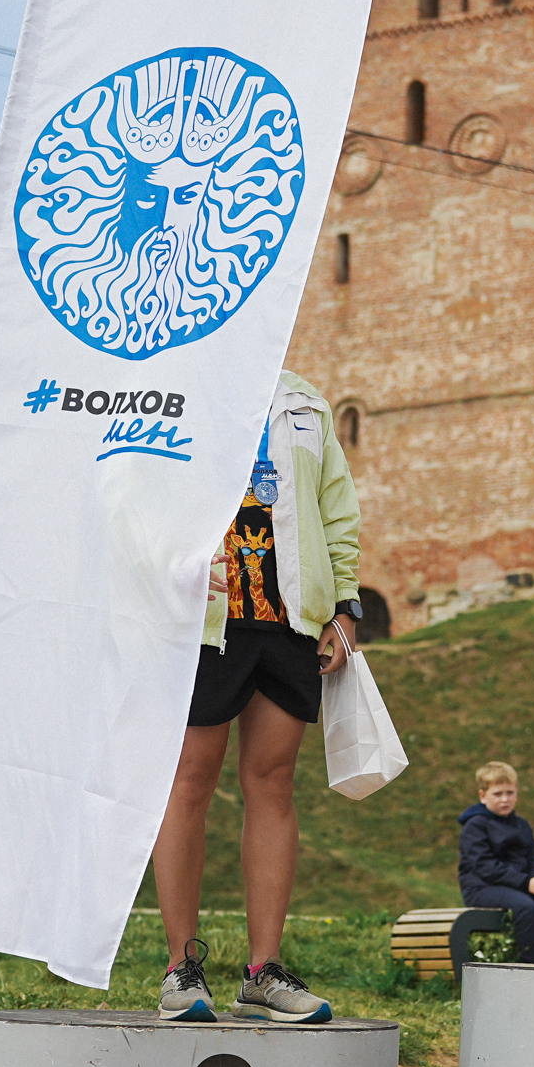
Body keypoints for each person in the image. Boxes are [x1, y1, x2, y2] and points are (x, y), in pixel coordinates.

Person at [152, 371, 363, 1025]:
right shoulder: (175, 382)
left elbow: (336, 505)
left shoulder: (306, 401)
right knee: (189, 780)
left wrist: (345, 603)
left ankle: (262, 972)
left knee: (272, 784)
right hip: (206, 615)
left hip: (289, 616)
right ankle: (181, 972)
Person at [457, 761, 534, 965]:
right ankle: (530, 966)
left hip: (518, 885)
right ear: (482, 796)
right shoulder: (475, 826)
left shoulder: (522, 826)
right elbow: (485, 867)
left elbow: (532, 859)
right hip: (482, 887)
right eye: (498, 794)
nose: (505, 799)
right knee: (526, 907)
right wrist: (527, 883)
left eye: (510, 793)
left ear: (517, 793)